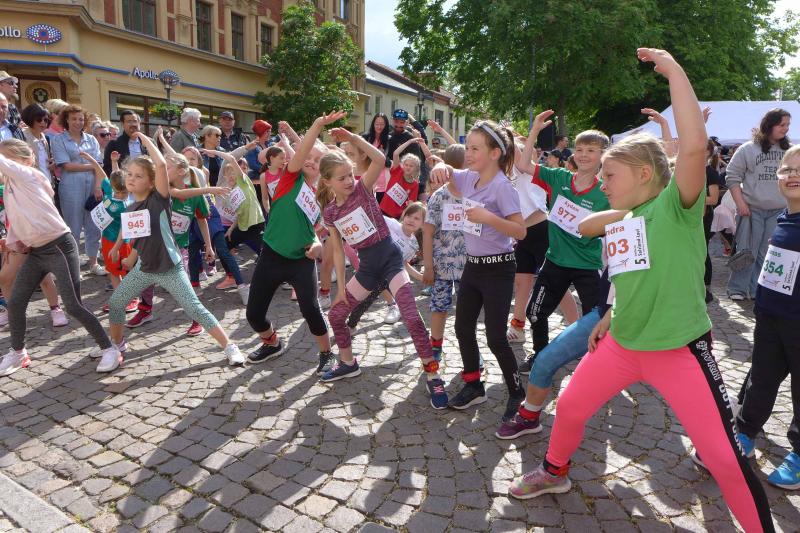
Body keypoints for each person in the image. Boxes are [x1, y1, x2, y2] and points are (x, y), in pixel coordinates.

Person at [508, 48, 775, 533]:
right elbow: (619, 263)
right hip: (622, 343)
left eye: (609, 175)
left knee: (724, 457)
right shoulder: (628, 216)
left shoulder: (678, 206)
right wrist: (610, 316)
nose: (602, 182)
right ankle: (554, 472)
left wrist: (673, 70)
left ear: (645, 175)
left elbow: (692, 149)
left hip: (680, 351)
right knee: (569, 406)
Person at [318, 122, 447, 409]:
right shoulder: (331, 212)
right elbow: (337, 250)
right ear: (327, 182)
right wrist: (339, 290)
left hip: (390, 260)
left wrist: (353, 137)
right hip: (367, 269)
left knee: (411, 316)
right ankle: (347, 362)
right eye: (342, 178)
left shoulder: (362, 189)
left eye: (350, 174)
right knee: (337, 316)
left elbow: (378, 159)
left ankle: (432, 374)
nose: (349, 180)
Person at [104, 132, 244, 371]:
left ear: (152, 182)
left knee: (194, 307)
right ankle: (116, 345)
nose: (131, 179)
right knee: (116, 303)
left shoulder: (159, 199)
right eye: (129, 174)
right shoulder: (130, 206)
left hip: (170, 267)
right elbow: (136, 235)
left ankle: (230, 346)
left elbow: (160, 165)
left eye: (138, 175)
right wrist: (123, 252)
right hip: (144, 268)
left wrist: (146, 139)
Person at [429, 120, 527, 420]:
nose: (468, 154)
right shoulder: (470, 177)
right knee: (462, 328)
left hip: (499, 268)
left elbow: (520, 231)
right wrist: (439, 166)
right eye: (467, 147)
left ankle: (517, 393)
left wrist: (488, 217)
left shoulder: (502, 187)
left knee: (496, 337)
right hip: (472, 266)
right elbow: (449, 173)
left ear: (495, 153)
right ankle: (474, 385)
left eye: (475, 149)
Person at [0, 139, 118, 377]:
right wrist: (15, 242)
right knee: (16, 302)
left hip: (58, 246)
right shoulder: (11, 185)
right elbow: (19, 217)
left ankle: (109, 348)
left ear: (26, 161)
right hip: (35, 251)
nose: (6, 165)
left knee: (73, 305)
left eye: (9, 159)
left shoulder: (30, 176)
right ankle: (18, 352)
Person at [244, 112, 337, 375]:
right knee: (253, 314)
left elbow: (317, 229)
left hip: (301, 260)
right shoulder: (289, 177)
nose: (311, 161)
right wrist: (317, 124)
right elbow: (303, 150)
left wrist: (317, 245)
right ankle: (272, 343)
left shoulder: (322, 196)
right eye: (308, 157)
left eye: (318, 160)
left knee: (310, 309)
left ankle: (326, 352)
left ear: (324, 170)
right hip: (271, 255)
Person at [515, 116, 610, 370]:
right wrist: (534, 130)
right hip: (555, 261)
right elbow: (523, 165)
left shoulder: (605, 192)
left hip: (587, 265)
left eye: (591, 150)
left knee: (596, 319)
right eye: (580, 149)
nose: (584, 155)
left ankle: (593, 364)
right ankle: (540, 356)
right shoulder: (559, 177)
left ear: (603, 155)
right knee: (535, 313)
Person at [732, 149, 799, 490]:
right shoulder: (785, 218)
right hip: (770, 318)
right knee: (761, 379)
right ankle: (744, 433)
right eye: (787, 168)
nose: (792, 174)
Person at [726, 108, 791, 301]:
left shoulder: (789, 151)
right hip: (751, 210)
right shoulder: (748, 149)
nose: (786, 129)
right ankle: (737, 289)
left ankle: (757, 290)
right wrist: (740, 203)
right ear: (770, 124)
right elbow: (732, 176)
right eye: (782, 125)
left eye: (788, 125)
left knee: (767, 252)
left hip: (778, 211)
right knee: (747, 250)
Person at [346, 202, 426, 331]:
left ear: (422, 224)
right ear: (403, 215)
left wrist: (420, 277)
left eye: (416, 218)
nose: (411, 220)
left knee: (408, 303)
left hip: (391, 275)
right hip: (372, 269)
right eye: (409, 216)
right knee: (362, 300)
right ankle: (350, 325)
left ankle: (421, 333)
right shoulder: (391, 224)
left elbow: (404, 263)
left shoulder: (413, 244)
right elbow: (371, 216)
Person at [50, 104, 107, 276]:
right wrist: (93, 165)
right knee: (73, 226)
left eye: (81, 119)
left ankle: (93, 263)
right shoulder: (58, 140)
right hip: (70, 187)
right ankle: (73, 265)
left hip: (93, 186)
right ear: (66, 120)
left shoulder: (91, 139)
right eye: (74, 118)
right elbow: (66, 166)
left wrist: (98, 186)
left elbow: (99, 166)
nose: (78, 122)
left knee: (94, 225)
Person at [379, 138, 427, 219]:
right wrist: (410, 141)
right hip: (382, 210)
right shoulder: (397, 171)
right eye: (406, 165)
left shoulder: (415, 184)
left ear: (416, 169)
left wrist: (403, 218)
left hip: (396, 217)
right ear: (403, 165)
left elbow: (411, 203)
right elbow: (395, 153)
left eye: (411, 166)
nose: (408, 167)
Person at [704, 139, 723, 302]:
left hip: (703, 217)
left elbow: (713, 199)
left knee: (702, 250)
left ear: (708, 152)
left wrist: (692, 197)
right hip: (692, 216)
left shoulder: (710, 173)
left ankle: (705, 286)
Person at [102, 110, 146, 175]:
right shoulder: (114, 144)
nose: (133, 124)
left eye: (135, 121)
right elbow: (107, 168)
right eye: (129, 121)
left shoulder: (148, 142)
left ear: (139, 123)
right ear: (122, 124)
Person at [20, 104, 55, 184]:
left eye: (45, 120)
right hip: (30, 184)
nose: (43, 122)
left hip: (48, 183)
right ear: (30, 119)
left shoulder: (46, 138)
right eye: (39, 119)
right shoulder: (21, 136)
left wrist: (53, 163)